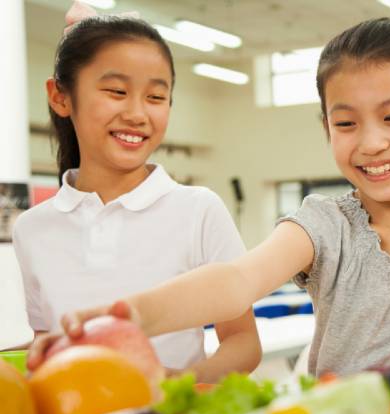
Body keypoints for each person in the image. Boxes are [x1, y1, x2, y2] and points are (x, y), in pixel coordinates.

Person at [28, 17, 390, 376]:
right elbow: (235, 282)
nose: (370, 143)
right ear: (327, 128)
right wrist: (128, 315)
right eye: (346, 123)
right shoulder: (322, 225)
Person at [14, 2, 260, 382]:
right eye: (116, 91)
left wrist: (178, 386)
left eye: (156, 97)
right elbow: (47, 343)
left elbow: (243, 341)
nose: (137, 113)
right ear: (61, 97)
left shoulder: (198, 210)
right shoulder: (32, 228)